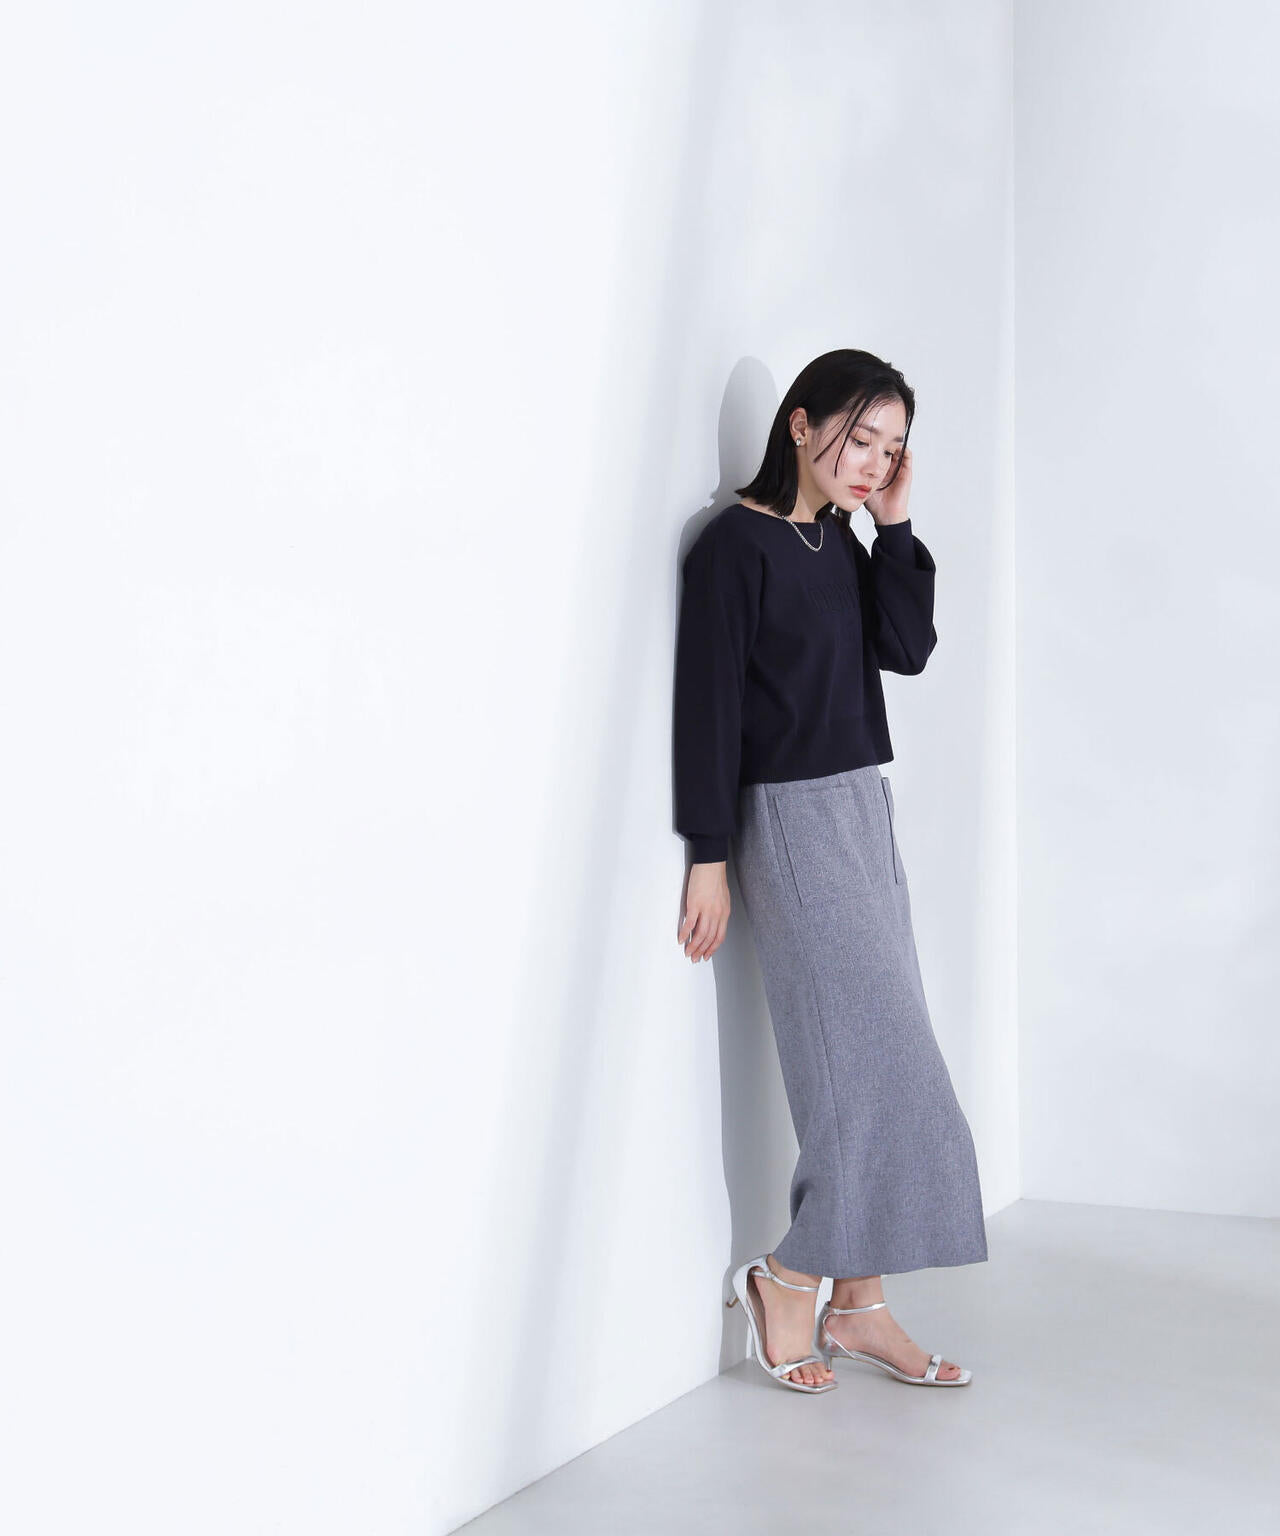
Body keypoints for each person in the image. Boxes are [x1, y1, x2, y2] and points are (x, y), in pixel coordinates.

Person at [673, 349, 988, 1393]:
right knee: (871, 1071)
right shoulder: (734, 546)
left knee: (881, 1065)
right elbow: (708, 710)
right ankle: (789, 1277)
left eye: (892, 449)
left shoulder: (840, 540)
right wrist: (709, 860)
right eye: (861, 440)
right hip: (789, 817)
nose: (874, 463)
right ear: (800, 425)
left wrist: (892, 527)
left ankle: (857, 1306)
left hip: (861, 806)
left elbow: (907, 647)